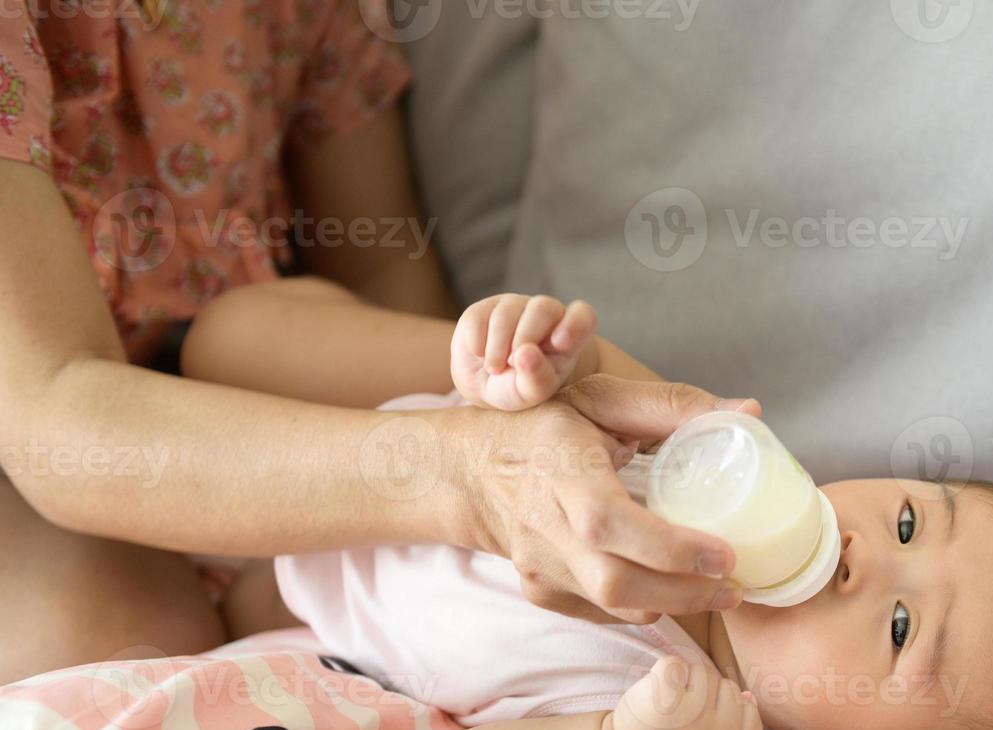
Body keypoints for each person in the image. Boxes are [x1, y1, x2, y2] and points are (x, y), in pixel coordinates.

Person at [186, 291, 993, 730]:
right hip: (366, 430)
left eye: (901, 628)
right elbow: (584, 382)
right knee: (228, 334)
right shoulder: (709, 469)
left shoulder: (684, 720)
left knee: (179, 623)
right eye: (908, 517)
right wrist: (527, 358)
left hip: (298, 599)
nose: (867, 549)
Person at [0, 2, 749, 684]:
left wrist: (497, 393)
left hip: (233, 369)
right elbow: (50, 403)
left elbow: (382, 259)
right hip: (42, 432)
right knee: (128, 657)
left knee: (291, 643)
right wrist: (467, 475)